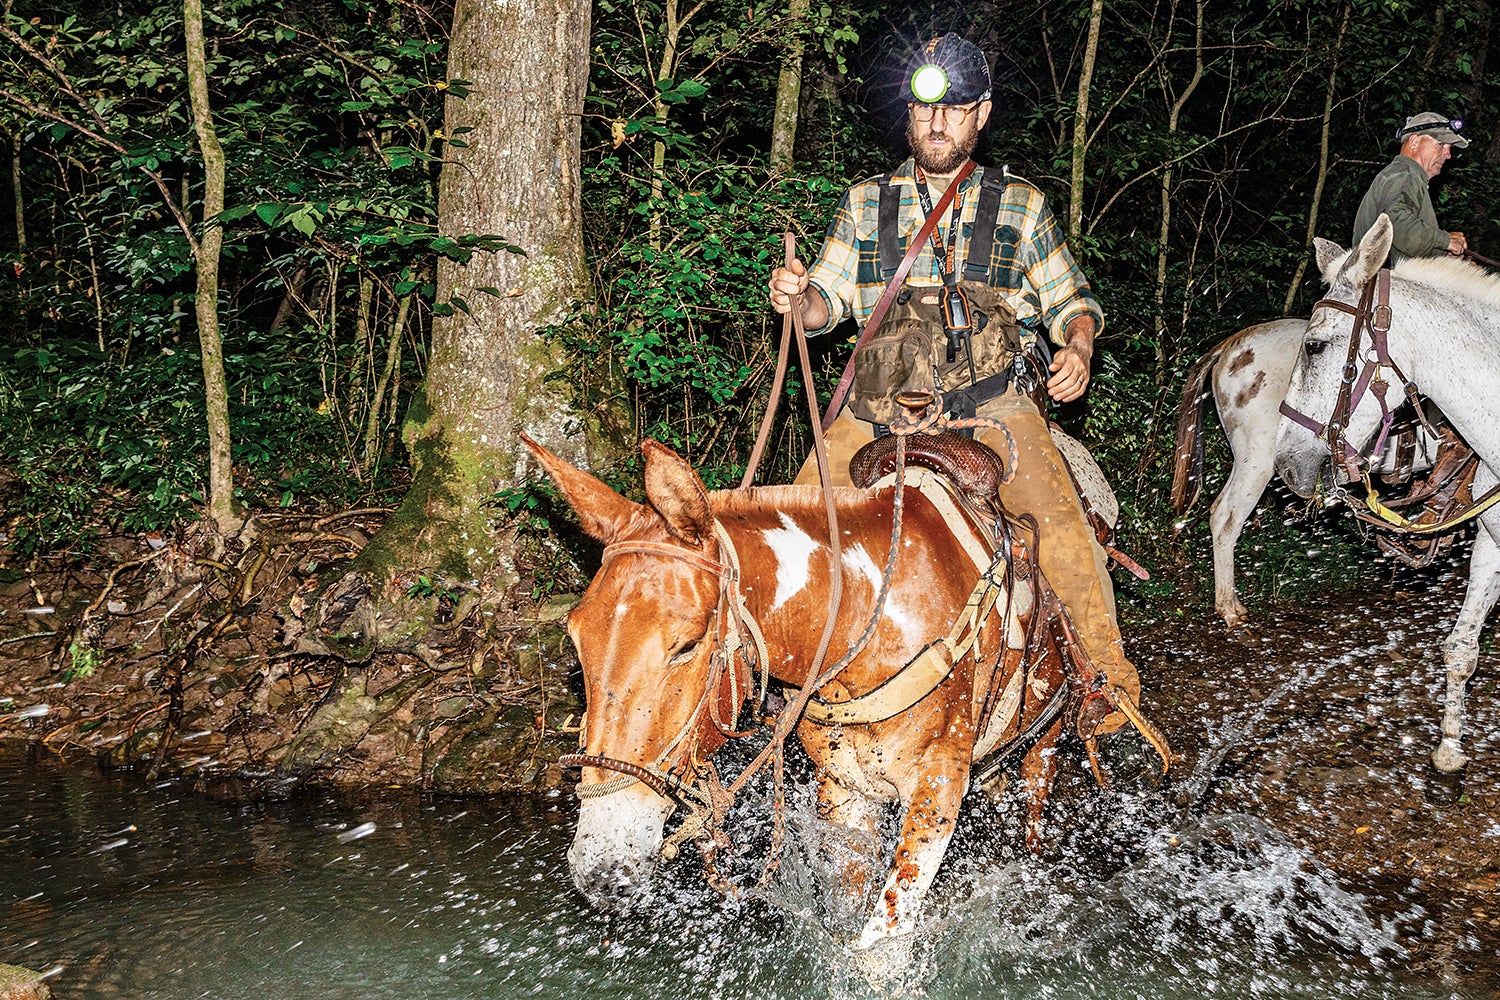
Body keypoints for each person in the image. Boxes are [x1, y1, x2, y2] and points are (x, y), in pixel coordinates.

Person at [766, 33, 1140, 741]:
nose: (938, 125)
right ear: (908, 115)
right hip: (876, 410)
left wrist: (1080, 346)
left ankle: (1107, 685)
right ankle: (771, 683)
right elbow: (827, 307)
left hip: (991, 410)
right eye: (924, 110)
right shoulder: (864, 203)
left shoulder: (1022, 206)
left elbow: (1071, 303)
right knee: (796, 525)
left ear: (981, 114)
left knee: (1062, 530)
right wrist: (798, 297)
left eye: (956, 110)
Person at [1352, 111, 1469, 260]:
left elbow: (1405, 245)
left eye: (1450, 148)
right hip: (1386, 281)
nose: (1448, 155)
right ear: (1414, 142)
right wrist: (1445, 241)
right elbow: (1395, 224)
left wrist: (1442, 253)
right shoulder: (1404, 175)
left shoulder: (1408, 177)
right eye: (1440, 145)